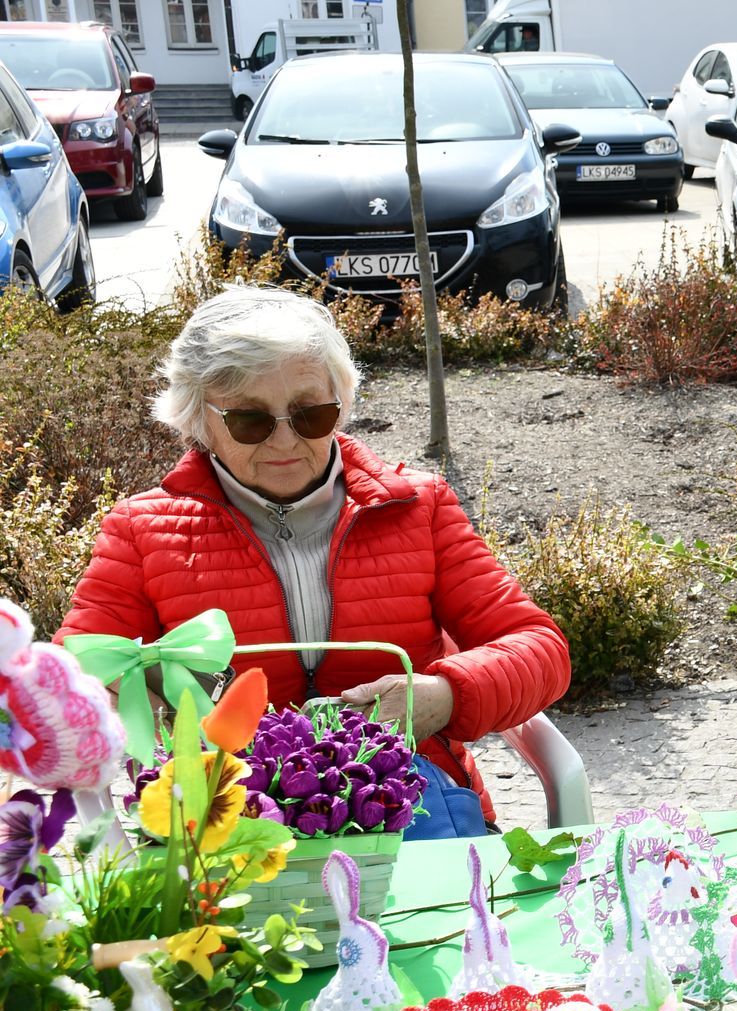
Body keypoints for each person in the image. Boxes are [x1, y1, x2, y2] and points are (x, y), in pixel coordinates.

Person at [59, 287, 570, 829]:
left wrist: (445, 695)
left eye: (310, 414)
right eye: (250, 420)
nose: (284, 441)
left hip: (408, 800)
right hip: (226, 811)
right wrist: (135, 702)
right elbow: (69, 675)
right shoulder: (143, 531)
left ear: (340, 404)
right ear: (199, 419)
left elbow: (541, 650)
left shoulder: (419, 508)